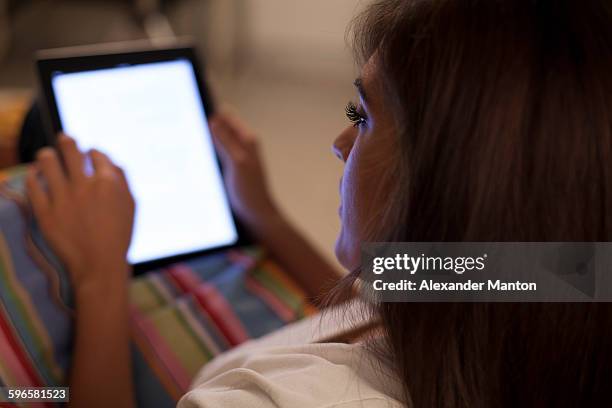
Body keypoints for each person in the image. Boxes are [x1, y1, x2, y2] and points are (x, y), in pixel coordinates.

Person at [25, 0, 612, 406]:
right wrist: (268, 219)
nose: (338, 146)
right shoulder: (552, 274)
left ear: (451, 183)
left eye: (362, 117)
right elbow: (370, 295)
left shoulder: (274, 401)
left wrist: (100, 277)